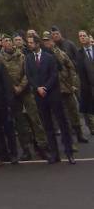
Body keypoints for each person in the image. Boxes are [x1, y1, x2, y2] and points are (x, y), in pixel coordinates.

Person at [24, 34, 74, 163]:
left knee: (62, 123)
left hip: (53, 94)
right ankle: (54, 154)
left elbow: (54, 74)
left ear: (37, 43)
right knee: (48, 126)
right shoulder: (28, 59)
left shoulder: (49, 57)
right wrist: (37, 88)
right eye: (28, 42)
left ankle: (69, 153)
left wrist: (45, 87)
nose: (29, 44)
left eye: (31, 42)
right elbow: (29, 76)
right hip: (39, 96)